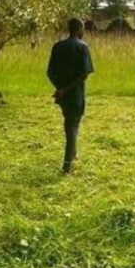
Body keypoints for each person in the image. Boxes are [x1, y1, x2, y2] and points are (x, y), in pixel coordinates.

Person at [47, 17, 94, 174]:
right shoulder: (82, 47)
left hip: (63, 95)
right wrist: (66, 89)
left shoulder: (57, 46)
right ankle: (67, 164)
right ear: (80, 29)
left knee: (70, 123)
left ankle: (72, 153)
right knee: (72, 126)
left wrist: (59, 88)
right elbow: (84, 75)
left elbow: (50, 72)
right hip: (75, 94)